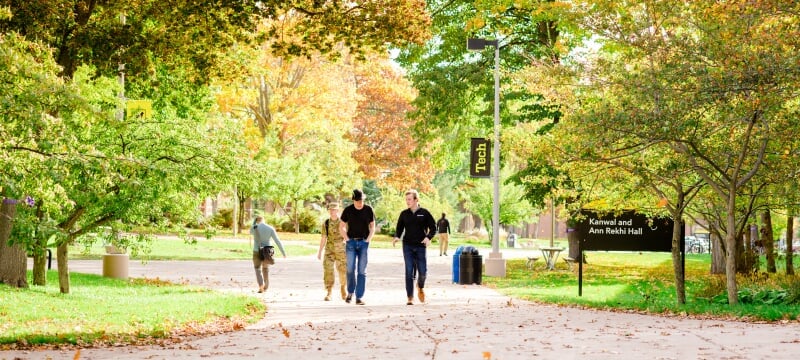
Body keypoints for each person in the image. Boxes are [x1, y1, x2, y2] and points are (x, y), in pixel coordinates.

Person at [392, 189, 437, 305]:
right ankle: (410, 297)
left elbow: (433, 227)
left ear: (416, 199)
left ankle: (420, 287)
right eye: (406, 199)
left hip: (421, 246)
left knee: (423, 272)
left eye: (409, 199)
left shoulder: (424, 213)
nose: (407, 201)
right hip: (407, 245)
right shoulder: (404, 214)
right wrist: (397, 236)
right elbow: (399, 228)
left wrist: (428, 237)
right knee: (409, 271)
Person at [339, 189, 376, 305]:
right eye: (358, 200)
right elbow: (342, 226)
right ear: (353, 200)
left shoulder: (368, 210)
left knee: (361, 271)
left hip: (364, 243)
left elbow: (372, 227)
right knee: (350, 269)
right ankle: (350, 292)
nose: (361, 203)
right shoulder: (348, 210)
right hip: (351, 244)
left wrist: (368, 240)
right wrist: (347, 239)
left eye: (362, 200)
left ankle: (359, 297)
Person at [317, 202, 347, 301]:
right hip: (329, 250)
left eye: (334, 210)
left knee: (342, 271)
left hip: (341, 251)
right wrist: (320, 251)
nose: (332, 211)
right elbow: (323, 237)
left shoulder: (344, 222)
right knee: (328, 270)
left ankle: (343, 288)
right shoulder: (326, 223)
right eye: (330, 210)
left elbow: (347, 237)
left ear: (338, 210)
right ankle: (329, 292)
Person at [250, 215, 287, 293]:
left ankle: (261, 286)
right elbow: (277, 240)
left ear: (256, 220)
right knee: (265, 269)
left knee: (257, 269)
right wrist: (283, 252)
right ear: (264, 220)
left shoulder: (254, 227)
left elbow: (250, 232)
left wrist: (253, 223)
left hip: (256, 250)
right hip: (267, 251)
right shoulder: (270, 228)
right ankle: (266, 286)